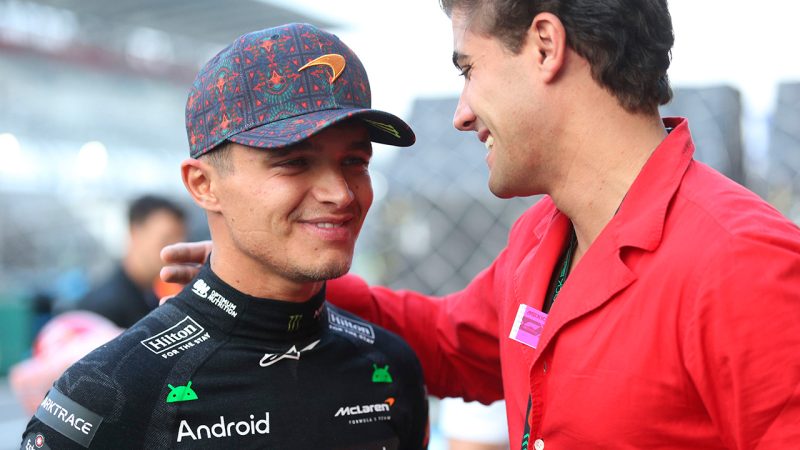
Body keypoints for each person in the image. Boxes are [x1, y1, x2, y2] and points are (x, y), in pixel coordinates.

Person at [161, 1, 800, 448]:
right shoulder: (542, 239)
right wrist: (284, 282)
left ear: (545, 46)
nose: (462, 113)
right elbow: (451, 344)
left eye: (468, 70)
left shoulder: (742, 263)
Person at [21, 23, 428, 449]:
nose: (341, 194)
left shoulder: (390, 366)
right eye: (294, 162)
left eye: (355, 161)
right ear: (203, 185)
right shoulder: (106, 395)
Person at [71, 194, 187, 328]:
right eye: (166, 239)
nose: (178, 251)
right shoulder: (102, 311)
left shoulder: (151, 298)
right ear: (134, 233)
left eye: (181, 242)